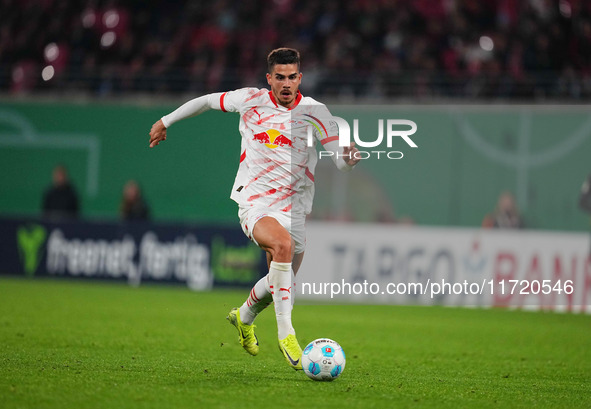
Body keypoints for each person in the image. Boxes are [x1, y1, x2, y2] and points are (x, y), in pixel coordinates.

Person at [149, 48, 359, 370]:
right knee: (283, 246)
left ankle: (243, 317)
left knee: (279, 283)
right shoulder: (250, 100)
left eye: (292, 77)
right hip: (256, 201)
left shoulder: (317, 112)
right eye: (280, 78)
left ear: (300, 78)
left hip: (295, 208)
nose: (286, 84)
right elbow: (206, 100)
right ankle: (287, 333)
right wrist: (166, 120)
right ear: (269, 79)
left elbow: (339, 158)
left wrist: (347, 158)